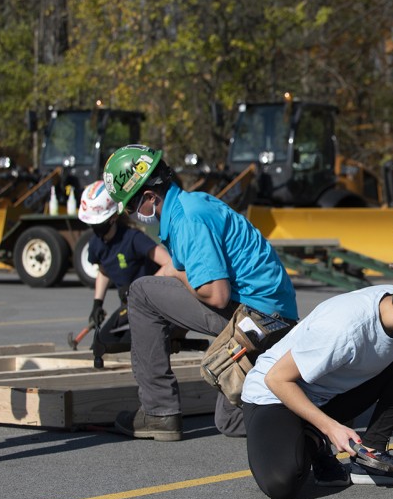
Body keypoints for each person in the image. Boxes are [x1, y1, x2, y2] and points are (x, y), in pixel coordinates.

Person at [240, 252, 393, 499]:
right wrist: (330, 428)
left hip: (328, 395)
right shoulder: (342, 329)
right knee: (282, 484)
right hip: (274, 397)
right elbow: (276, 379)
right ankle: (314, 441)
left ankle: (370, 455)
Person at [102, 144, 298, 441]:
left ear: (149, 197)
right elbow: (184, 281)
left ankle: (158, 413)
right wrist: (161, 327)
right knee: (229, 422)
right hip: (271, 320)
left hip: (257, 320)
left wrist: (163, 282)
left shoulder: (189, 220)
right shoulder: (188, 207)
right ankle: (304, 414)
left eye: (131, 206)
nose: (132, 214)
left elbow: (215, 294)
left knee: (141, 292)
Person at [76, 180, 172, 354]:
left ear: (113, 217)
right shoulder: (96, 243)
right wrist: (97, 304)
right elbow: (104, 270)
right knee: (101, 346)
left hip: (153, 306)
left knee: (131, 348)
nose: (95, 229)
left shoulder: (133, 238)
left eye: (98, 223)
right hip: (129, 307)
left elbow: (169, 263)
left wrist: (140, 288)